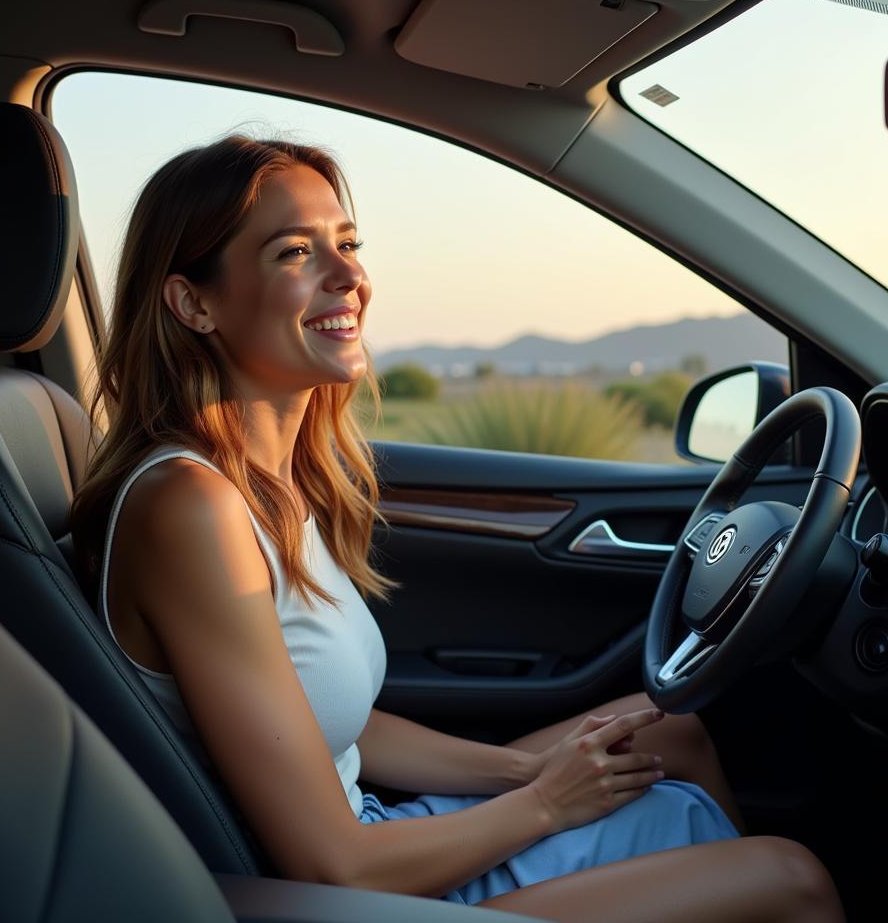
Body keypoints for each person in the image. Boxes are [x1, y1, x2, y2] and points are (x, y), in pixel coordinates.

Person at [70, 135, 843, 922]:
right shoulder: (190, 507)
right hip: (342, 892)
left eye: (348, 244)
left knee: (666, 734)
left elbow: (337, 725)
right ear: (194, 303)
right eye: (296, 253)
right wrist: (544, 802)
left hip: (371, 846)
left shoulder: (268, 485)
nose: (350, 278)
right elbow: (335, 866)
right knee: (791, 877)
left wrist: (520, 774)